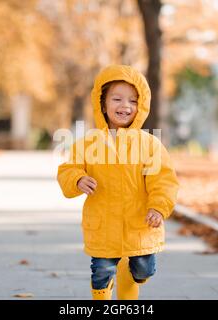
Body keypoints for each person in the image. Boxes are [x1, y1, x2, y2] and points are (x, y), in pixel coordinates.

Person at [57, 65, 180, 300]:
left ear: (141, 106)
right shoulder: (87, 144)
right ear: (102, 104)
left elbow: (163, 180)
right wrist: (78, 179)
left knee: (143, 268)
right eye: (117, 99)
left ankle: (132, 274)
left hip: (139, 225)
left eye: (133, 101)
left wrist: (158, 207)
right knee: (102, 271)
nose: (125, 106)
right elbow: (67, 169)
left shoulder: (149, 145)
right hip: (103, 225)